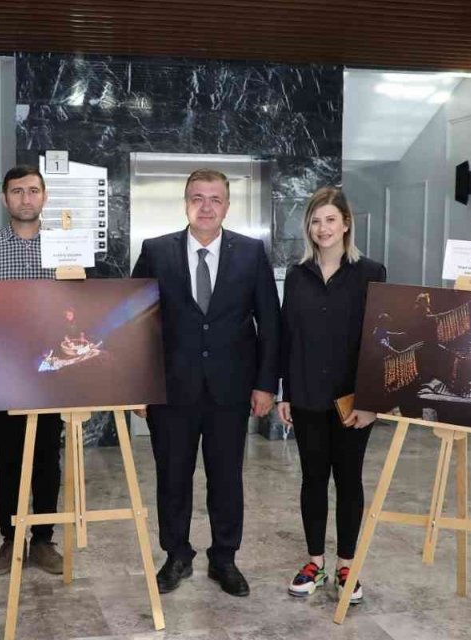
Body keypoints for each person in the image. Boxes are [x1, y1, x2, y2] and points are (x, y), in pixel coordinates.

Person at [130, 168, 281, 597]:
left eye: (215, 198)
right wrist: (139, 385)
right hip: (170, 390)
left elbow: (269, 322)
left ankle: (224, 559)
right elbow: (138, 323)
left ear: (227, 206)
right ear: (185, 203)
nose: (206, 206)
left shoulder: (251, 253)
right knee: (172, 477)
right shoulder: (156, 251)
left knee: (226, 478)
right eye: (198, 197)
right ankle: (176, 556)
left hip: (230, 391)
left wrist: (266, 384)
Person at [276, 186, 385, 605]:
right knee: (313, 479)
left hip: (351, 401)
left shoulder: (371, 273)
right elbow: (288, 336)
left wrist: (371, 399)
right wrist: (285, 390)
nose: (323, 228)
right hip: (305, 395)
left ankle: (346, 566)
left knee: (349, 480)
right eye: (315, 220)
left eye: (330, 220)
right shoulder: (297, 274)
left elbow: (378, 342)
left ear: (346, 224)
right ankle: (315, 563)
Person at [0, 165, 66, 577]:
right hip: (1, 370)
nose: (26, 198)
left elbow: (81, 309)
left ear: (44, 197)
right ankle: (10, 539)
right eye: (17, 191)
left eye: (33, 191)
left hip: (53, 372)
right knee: (6, 457)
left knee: (46, 456)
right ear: (5, 199)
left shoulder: (64, 247)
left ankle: (43, 540)